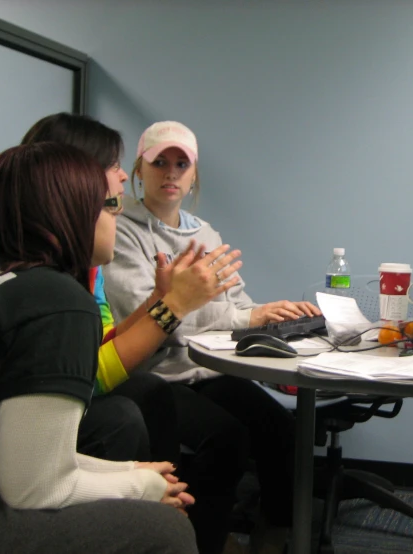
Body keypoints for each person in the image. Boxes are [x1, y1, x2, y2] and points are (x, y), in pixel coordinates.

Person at [0, 142, 204, 553]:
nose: (115, 219)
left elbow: (25, 447)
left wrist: (130, 470)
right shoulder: (56, 298)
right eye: (108, 207)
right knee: (164, 529)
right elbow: (34, 486)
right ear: (69, 211)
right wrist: (140, 486)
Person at [0, 113, 244, 469]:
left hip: (2, 414)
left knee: (153, 395)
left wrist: (157, 300)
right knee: (121, 418)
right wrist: (173, 306)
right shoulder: (46, 288)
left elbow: (96, 343)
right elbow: (88, 374)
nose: (120, 179)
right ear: (64, 177)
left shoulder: (78, 267)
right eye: (111, 167)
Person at [102, 121, 322, 554]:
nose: (170, 173)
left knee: (281, 429)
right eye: (159, 162)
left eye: (181, 164)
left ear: (194, 174)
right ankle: (204, 541)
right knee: (226, 438)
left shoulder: (205, 233)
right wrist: (241, 318)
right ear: (139, 170)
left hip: (206, 367)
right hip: (152, 371)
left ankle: (274, 535)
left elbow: (236, 304)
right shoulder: (120, 228)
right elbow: (148, 318)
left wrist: (265, 317)